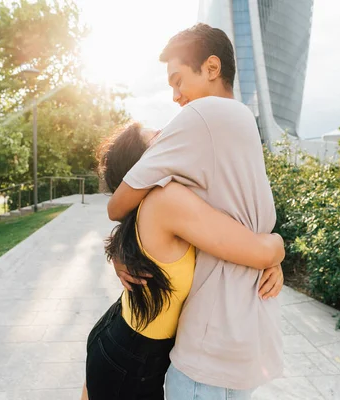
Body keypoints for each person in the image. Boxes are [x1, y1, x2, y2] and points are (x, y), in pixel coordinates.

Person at [106, 24, 283, 399]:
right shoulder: (243, 124)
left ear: (212, 67)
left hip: (208, 344)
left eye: (178, 80)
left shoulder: (201, 115)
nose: (174, 96)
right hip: (242, 340)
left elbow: (117, 204)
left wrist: (273, 251)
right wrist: (274, 249)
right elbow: (252, 221)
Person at [82, 123, 285, 400]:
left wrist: (269, 257)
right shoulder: (167, 199)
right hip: (129, 360)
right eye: (156, 135)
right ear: (144, 163)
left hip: (122, 341)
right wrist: (277, 247)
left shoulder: (174, 196)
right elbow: (260, 250)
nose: (168, 131)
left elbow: (241, 243)